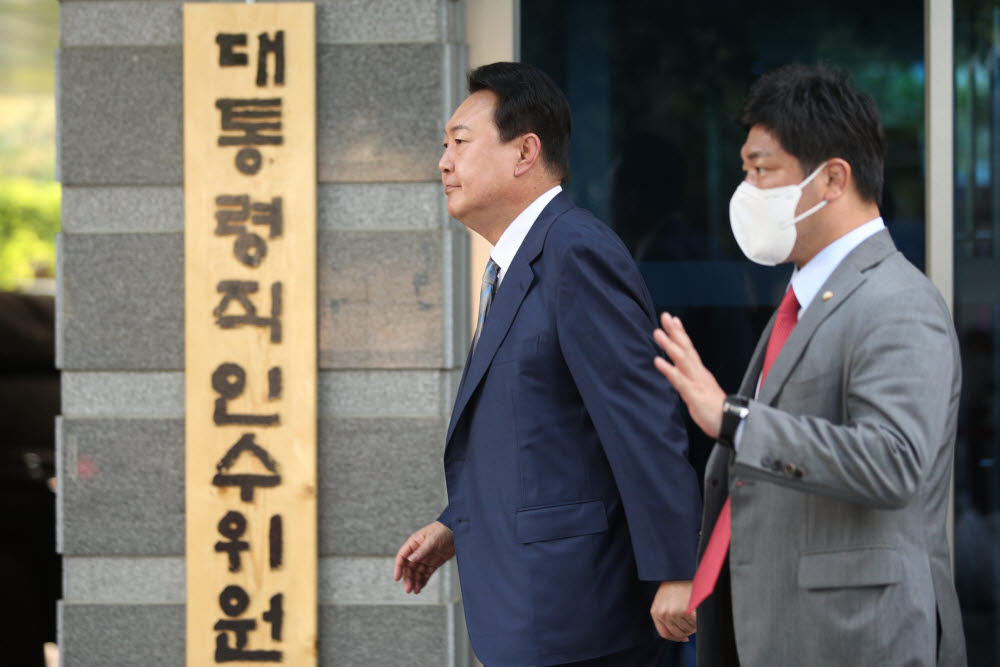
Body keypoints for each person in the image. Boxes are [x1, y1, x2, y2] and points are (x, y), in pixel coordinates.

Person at [652, 64, 966, 666]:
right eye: (745, 170)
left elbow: (894, 462)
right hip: (775, 627)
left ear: (832, 179)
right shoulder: (804, 298)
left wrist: (733, 418)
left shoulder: (897, 301)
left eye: (762, 169)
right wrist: (706, 571)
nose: (745, 190)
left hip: (853, 639)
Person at [393, 62, 702, 666]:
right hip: (533, 613)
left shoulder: (574, 251)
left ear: (524, 152)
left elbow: (641, 418)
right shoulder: (515, 266)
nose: (444, 162)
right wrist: (456, 522)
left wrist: (677, 569)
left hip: (582, 624)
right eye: (443, 146)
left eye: (460, 142)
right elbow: (542, 434)